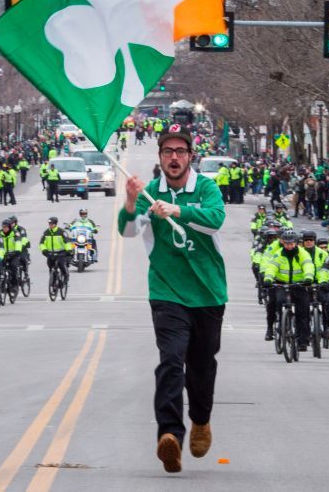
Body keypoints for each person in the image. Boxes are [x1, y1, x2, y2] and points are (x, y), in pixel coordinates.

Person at [119, 129, 226, 474]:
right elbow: (129, 231)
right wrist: (132, 202)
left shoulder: (206, 188)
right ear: (160, 157)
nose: (174, 158)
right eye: (168, 152)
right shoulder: (152, 193)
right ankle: (169, 435)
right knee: (170, 361)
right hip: (166, 293)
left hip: (207, 293)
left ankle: (201, 420)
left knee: (201, 364)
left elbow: (215, 220)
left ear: (190, 156)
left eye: (180, 151)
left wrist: (177, 210)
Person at [262, 229, 314, 349]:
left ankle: (302, 341)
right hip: (282, 284)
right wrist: (268, 278)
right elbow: (272, 267)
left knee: (303, 312)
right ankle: (282, 322)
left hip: (299, 285)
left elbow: (308, 265)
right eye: (286, 243)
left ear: (296, 243)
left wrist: (308, 277)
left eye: (291, 243)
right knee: (279, 301)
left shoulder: (303, 253)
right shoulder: (278, 253)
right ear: (283, 243)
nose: (289, 246)